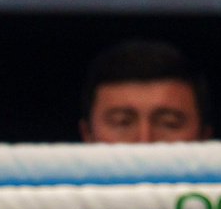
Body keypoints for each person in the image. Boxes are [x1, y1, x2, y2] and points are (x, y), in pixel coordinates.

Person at [76, 40, 212, 143]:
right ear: (87, 134)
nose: (144, 141)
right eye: (122, 122)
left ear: (204, 137)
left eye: (169, 123)